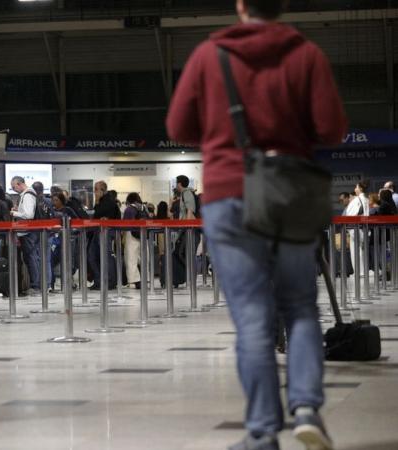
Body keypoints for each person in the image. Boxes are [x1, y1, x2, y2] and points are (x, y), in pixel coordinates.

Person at [166, 1, 347, 449]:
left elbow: (178, 125)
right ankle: (306, 408)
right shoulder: (307, 54)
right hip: (289, 193)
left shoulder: (210, 55)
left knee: (252, 318)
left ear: (240, 5)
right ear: (282, 5)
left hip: (230, 195)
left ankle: (262, 434)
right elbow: (333, 127)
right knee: (300, 305)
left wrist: (221, 133)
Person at [9, 176, 40, 295]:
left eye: (14, 187)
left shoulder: (28, 195)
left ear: (20, 184)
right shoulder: (27, 195)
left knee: (31, 258)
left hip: (28, 232)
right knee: (30, 258)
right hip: (27, 232)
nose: (13, 190)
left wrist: (14, 212)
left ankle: (35, 286)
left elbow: (28, 215)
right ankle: (35, 285)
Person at [88, 181, 120, 290]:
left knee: (106, 256)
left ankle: (110, 281)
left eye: (96, 189)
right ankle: (98, 280)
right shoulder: (102, 201)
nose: (94, 192)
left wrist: (97, 202)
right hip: (98, 230)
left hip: (106, 231)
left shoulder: (109, 201)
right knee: (92, 255)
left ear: (103, 190)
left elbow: (97, 214)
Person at [122, 193, 145, 289]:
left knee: (131, 258)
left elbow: (125, 224)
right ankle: (145, 278)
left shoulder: (129, 209)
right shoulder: (144, 208)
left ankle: (133, 281)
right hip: (143, 235)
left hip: (131, 234)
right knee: (143, 258)